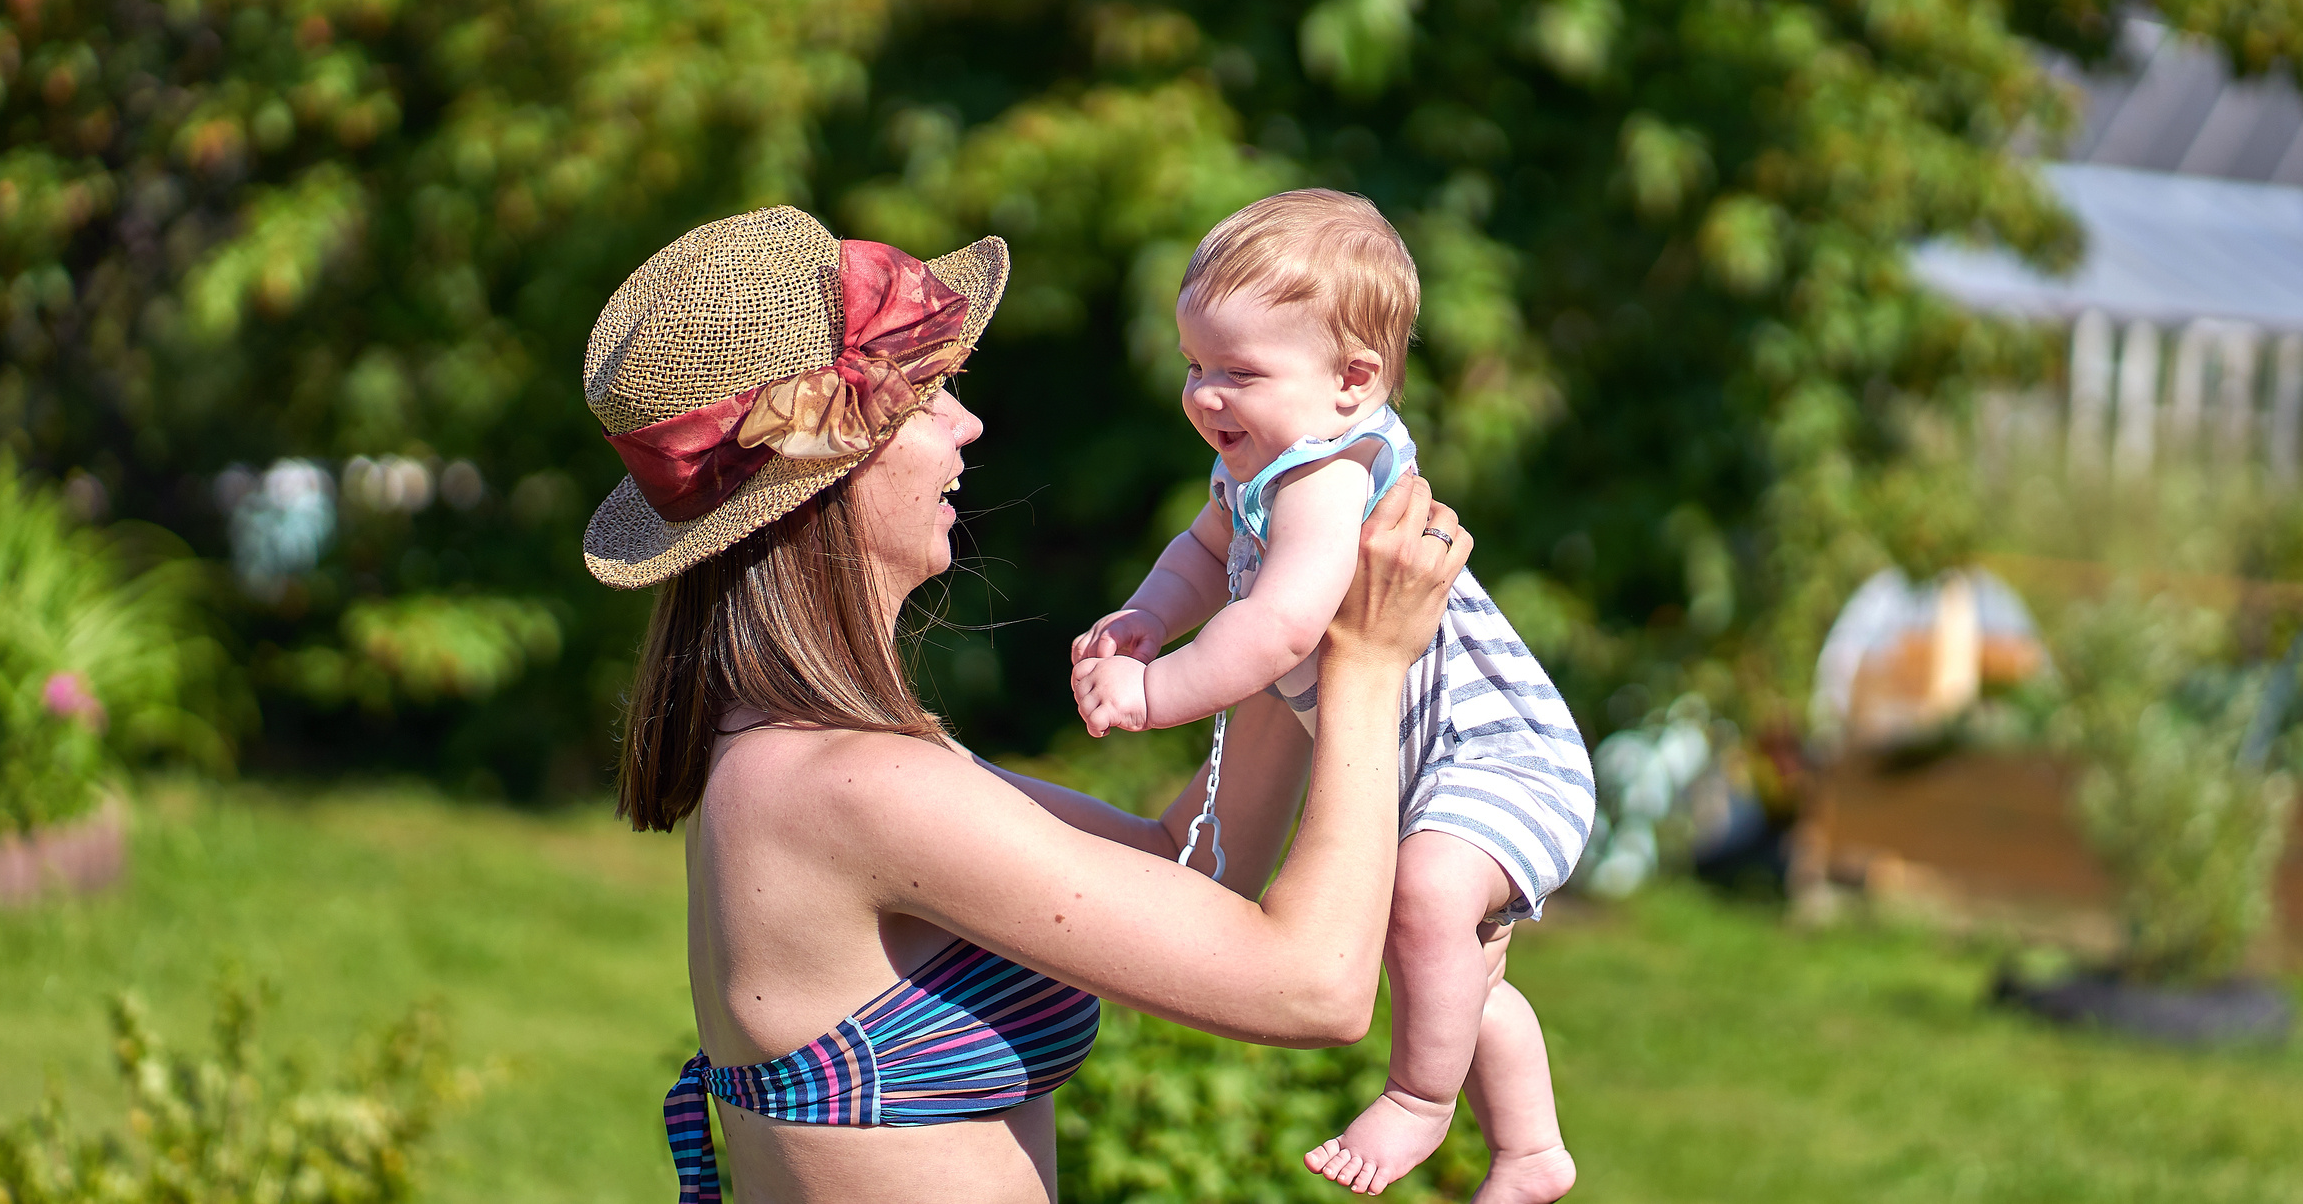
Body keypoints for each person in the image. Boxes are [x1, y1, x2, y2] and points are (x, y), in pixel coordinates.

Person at [579, 205, 1472, 1204]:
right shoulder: (850, 788)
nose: (968, 423)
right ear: (821, 478)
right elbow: (1315, 986)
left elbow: (1191, 870)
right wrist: (1367, 664)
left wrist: (1286, 614)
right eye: (926, 396)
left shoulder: (826, 758)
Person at [1069, 189, 1594, 1203]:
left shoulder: (1332, 473)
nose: (1205, 397)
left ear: (1355, 380)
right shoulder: (1263, 462)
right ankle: (1531, 1152)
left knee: (1428, 901)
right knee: (1456, 970)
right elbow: (1203, 551)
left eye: (1239, 372)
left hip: (1499, 753)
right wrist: (1147, 616)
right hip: (1424, 762)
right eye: (1195, 367)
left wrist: (1151, 692)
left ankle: (1419, 1103)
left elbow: (1279, 628)